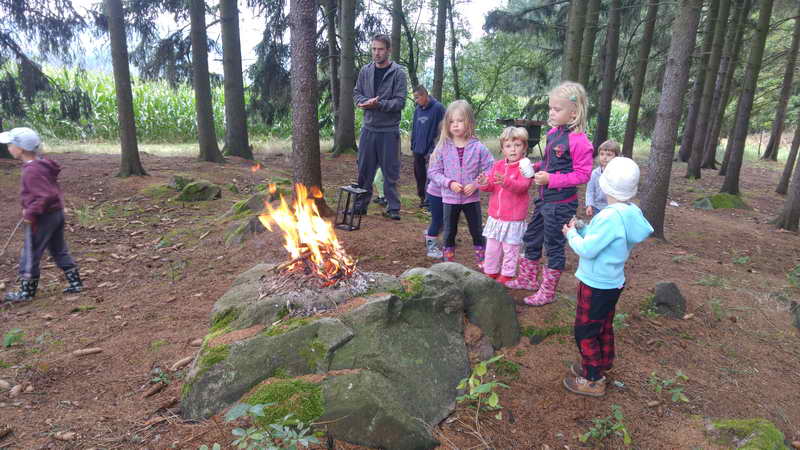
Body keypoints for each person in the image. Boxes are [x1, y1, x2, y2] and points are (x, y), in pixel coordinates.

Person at [561, 157, 653, 397]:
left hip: (595, 283)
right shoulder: (630, 212)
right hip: (613, 282)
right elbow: (604, 238)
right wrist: (583, 229)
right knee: (602, 325)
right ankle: (601, 362)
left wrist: (571, 235)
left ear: (604, 185)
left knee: (585, 331)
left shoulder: (609, 216)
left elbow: (587, 249)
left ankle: (593, 378)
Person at [506, 81, 593, 307]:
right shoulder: (553, 133)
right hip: (544, 200)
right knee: (532, 237)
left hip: (561, 204)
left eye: (557, 109)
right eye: (550, 108)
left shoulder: (579, 141)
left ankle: (548, 291)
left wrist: (551, 179)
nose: (551, 113)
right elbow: (549, 163)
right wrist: (534, 168)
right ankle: (528, 278)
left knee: (553, 246)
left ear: (573, 112)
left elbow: (583, 174)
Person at [1, 127, 83, 302]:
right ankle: (75, 282)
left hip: (43, 217)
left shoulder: (31, 170)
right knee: (58, 249)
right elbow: (51, 192)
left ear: (20, 148)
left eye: (10, 144)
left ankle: (26, 293)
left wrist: (30, 213)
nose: (8, 148)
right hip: (56, 213)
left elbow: (44, 195)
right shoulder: (42, 164)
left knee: (30, 252)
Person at [428, 100, 494, 267]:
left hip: (471, 199)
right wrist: (449, 183)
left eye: (460, 121)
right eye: (452, 121)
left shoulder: (478, 147)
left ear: (469, 122)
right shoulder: (442, 147)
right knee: (449, 231)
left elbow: (491, 168)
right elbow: (433, 172)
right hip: (449, 199)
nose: (455, 125)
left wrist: (476, 184)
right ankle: (448, 264)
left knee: (477, 230)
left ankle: (483, 262)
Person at [352, 34, 408, 220]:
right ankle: (360, 206)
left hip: (389, 130)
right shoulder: (365, 71)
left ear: (388, 50)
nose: (376, 53)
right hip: (368, 129)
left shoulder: (398, 73)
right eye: (374, 49)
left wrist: (379, 104)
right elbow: (357, 93)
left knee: (390, 172)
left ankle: (393, 208)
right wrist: (364, 102)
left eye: (381, 49)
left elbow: (400, 102)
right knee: (364, 170)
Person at [477, 127, 533, 283]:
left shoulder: (525, 167)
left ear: (524, 147)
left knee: (510, 248)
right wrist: (484, 183)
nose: (513, 149)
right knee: (492, 247)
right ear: (502, 149)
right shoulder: (498, 165)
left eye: (517, 145)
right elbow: (491, 186)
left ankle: (507, 274)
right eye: (508, 146)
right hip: (495, 217)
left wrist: (506, 182)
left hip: (513, 219)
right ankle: (491, 271)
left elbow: (523, 187)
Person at [410, 85, 446, 209]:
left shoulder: (438, 108)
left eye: (417, 97)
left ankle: (430, 201)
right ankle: (422, 197)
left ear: (425, 95)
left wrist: (436, 148)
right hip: (418, 148)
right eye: (415, 98)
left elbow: (443, 129)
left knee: (432, 175)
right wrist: (413, 144)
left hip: (432, 148)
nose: (416, 100)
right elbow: (414, 127)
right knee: (419, 174)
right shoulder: (418, 110)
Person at [585, 140, 620, 217]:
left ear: (616, 157)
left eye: (609, 155)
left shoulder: (619, 174)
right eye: (602, 154)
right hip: (598, 208)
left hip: (614, 209)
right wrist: (589, 205)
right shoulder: (595, 173)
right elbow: (590, 191)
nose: (604, 157)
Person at [424, 148, 444, 258]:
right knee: (437, 220)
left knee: (443, 221)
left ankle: (430, 236)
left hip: (449, 194)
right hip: (436, 193)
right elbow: (432, 173)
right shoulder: (439, 153)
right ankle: (431, 248)